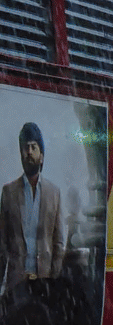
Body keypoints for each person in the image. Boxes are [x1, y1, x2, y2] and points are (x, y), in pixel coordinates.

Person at [1, 122, 63, 291]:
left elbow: (58, 243)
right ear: (21, 154)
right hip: (16, 285)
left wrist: (53, 280)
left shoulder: (54, 193)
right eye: (25, 148)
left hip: (44, 284)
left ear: (41, 155)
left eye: (33, 147)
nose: (28, 152)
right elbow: (2, 243)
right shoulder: (8, 192)